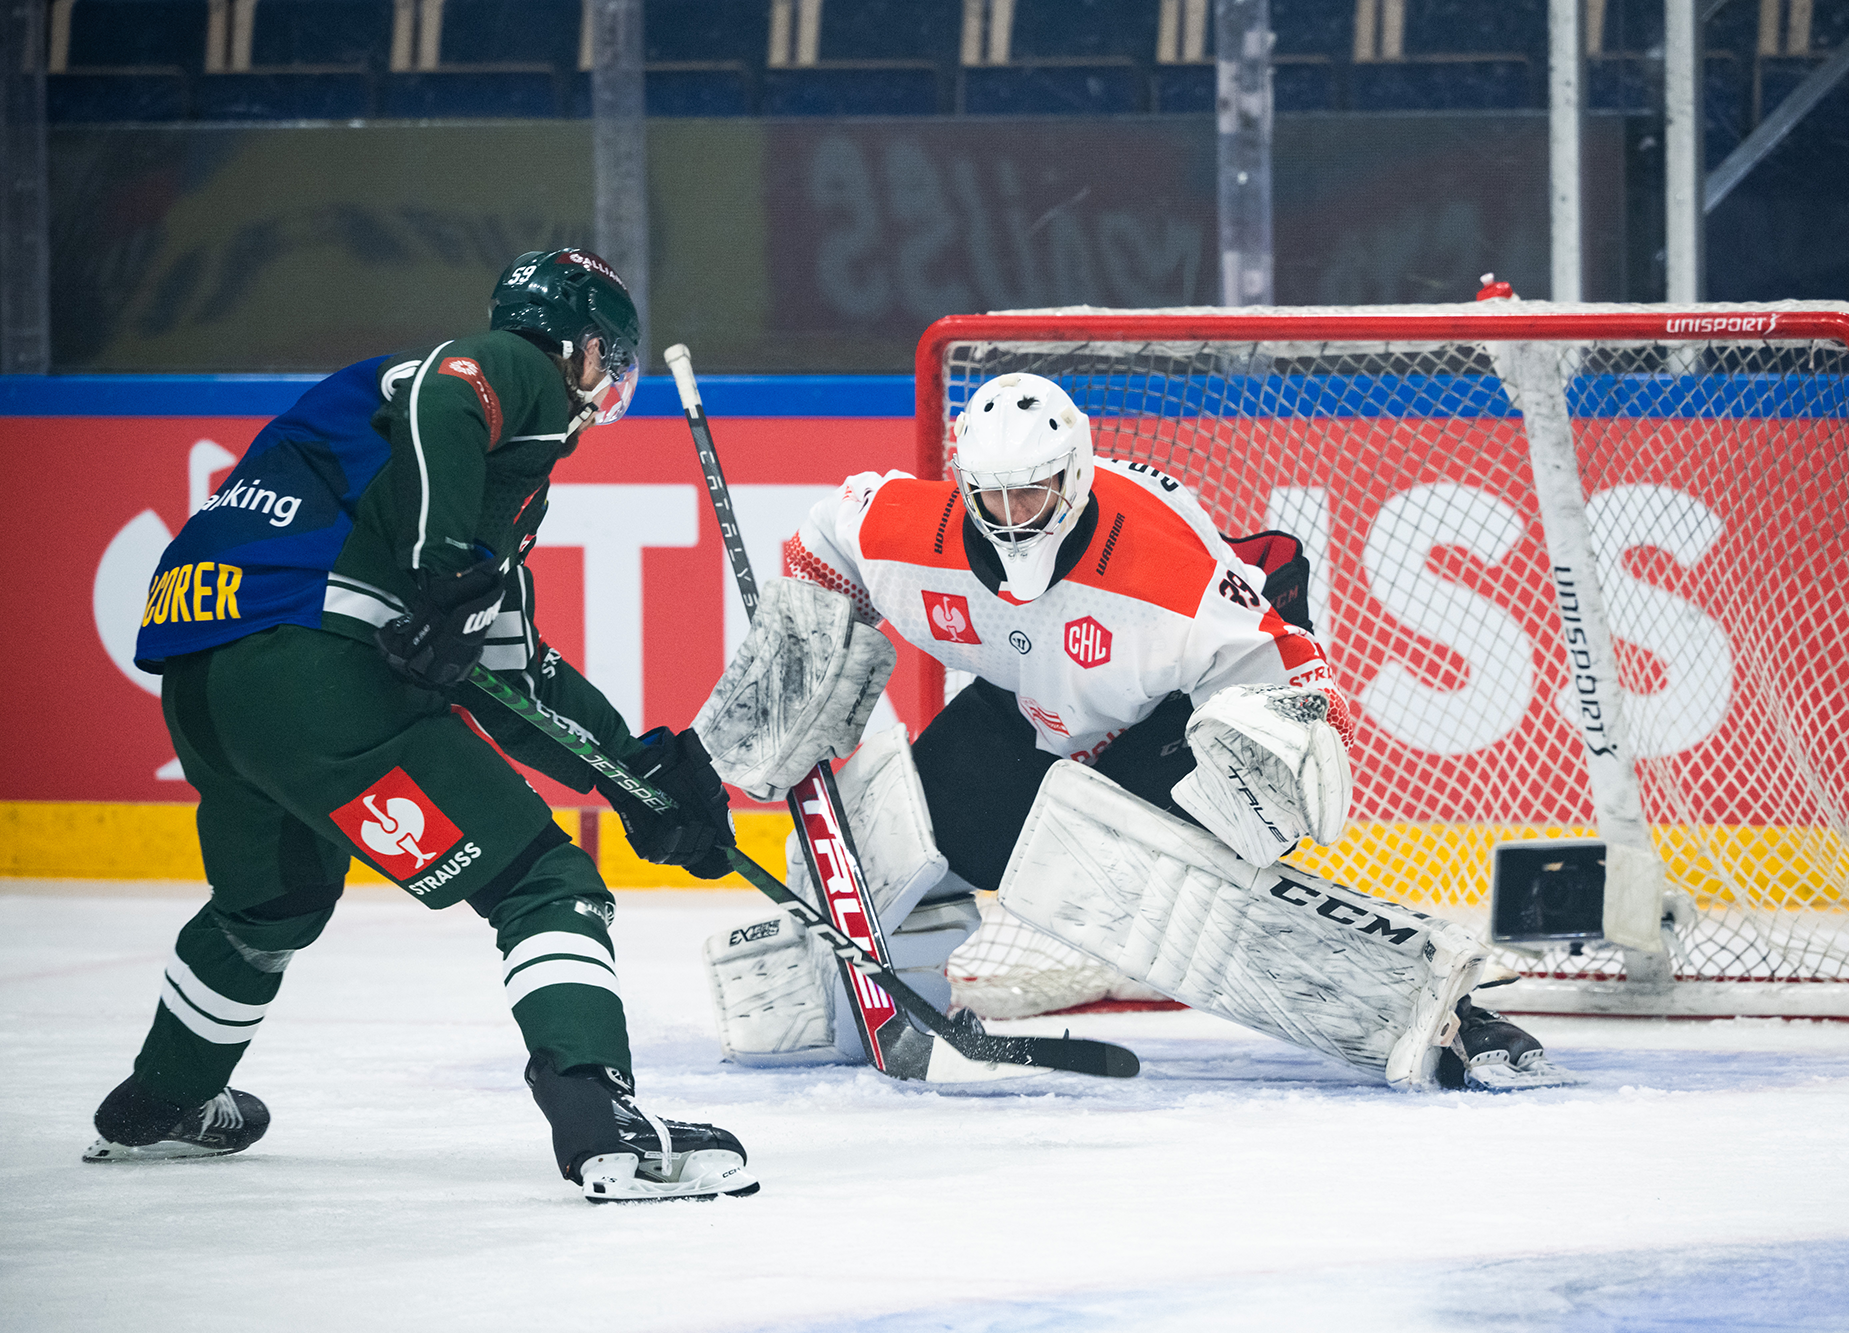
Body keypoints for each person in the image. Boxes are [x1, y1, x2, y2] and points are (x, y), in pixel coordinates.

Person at [89, 250, 758, 1201]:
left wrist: (641, 778)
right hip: (314, 673)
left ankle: (161, 1101)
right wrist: (444, 562)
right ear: (573, 350)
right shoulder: (510, 373)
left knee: (269, 906)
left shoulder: (464, 478)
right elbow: (451, 395)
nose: (607, 388)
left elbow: (510, 676)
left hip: (209, 684)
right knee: (545, 878)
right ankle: (605, 1127)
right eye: (607, 362)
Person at [697, 372, 1566, 1090]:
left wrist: (1270, 755)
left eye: (1029, 491)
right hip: (1031, 710)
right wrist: (800, 669)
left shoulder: (1164, 569)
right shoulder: (910, 531)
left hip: (1168, 719)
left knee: (1140, 887)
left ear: (1071, 477)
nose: (1009, 516)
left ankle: (1443, 1015)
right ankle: (865, 1012)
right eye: (988, 496)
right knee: (893, 842)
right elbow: (825, 540)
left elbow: (1296, 666)